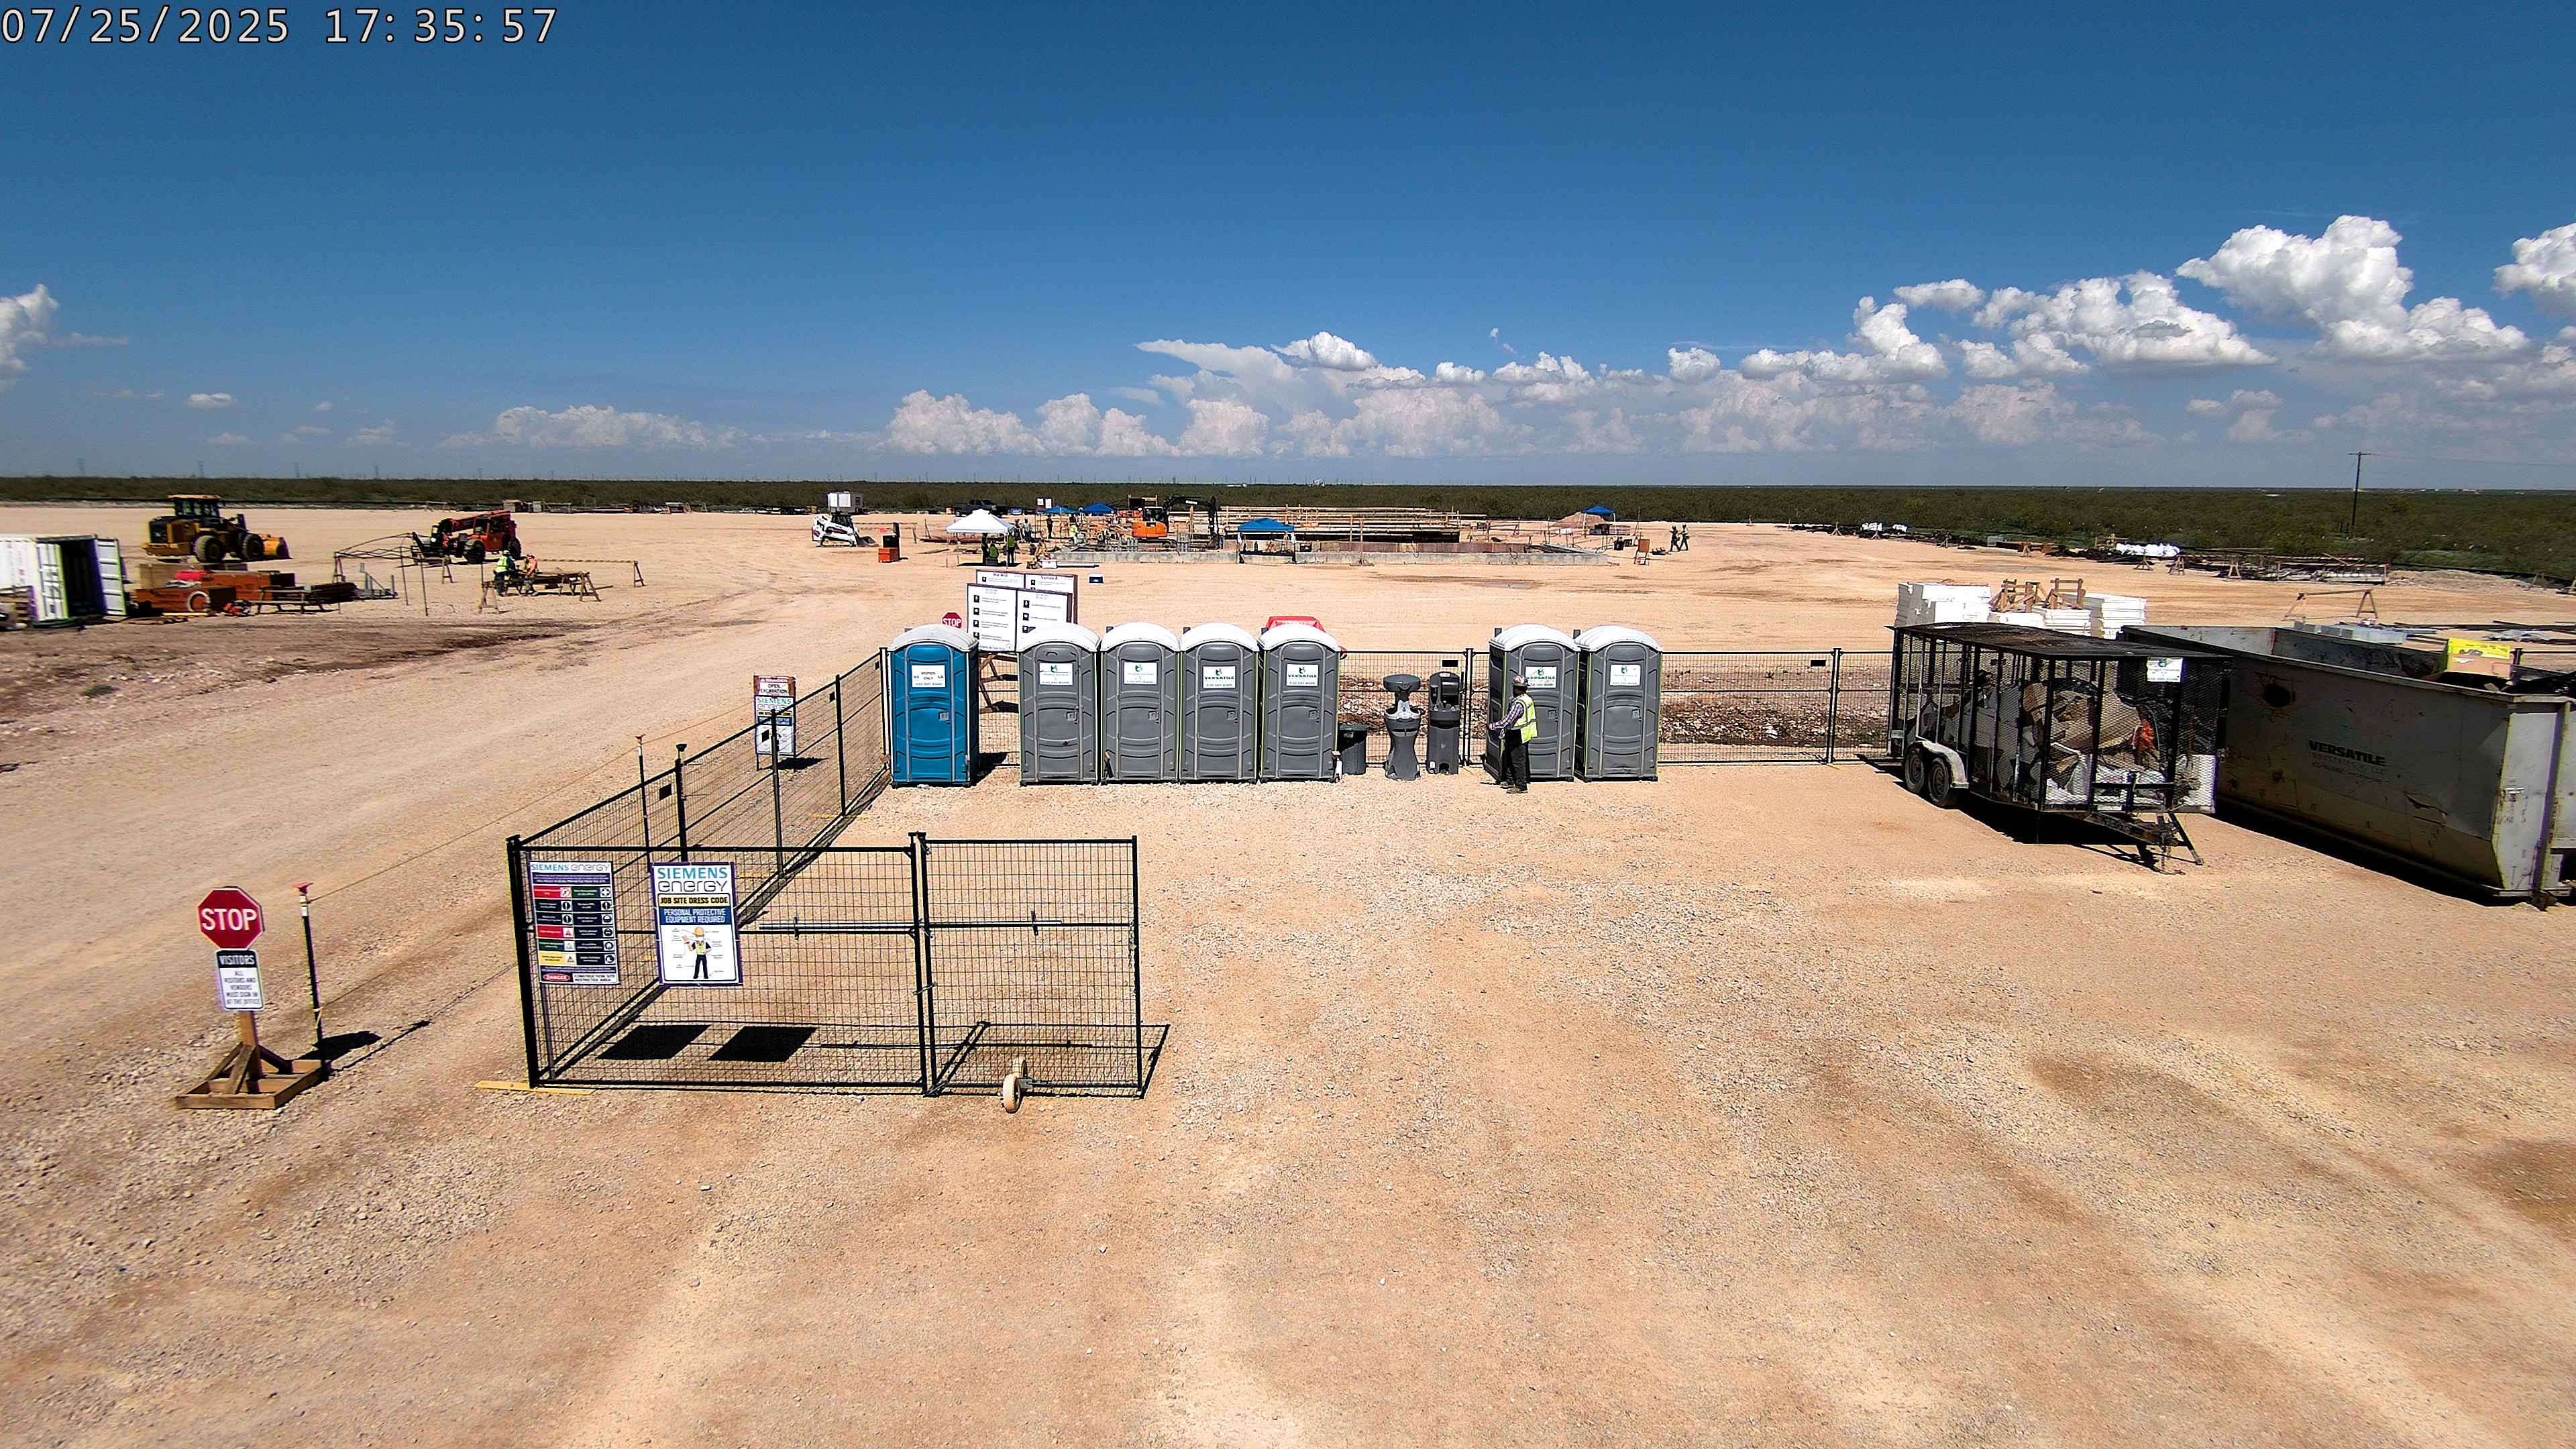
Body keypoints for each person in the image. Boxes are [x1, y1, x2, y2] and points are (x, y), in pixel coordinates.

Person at [1497, 674, 1536, 792]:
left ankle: (1521, 786)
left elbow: (1508, 720)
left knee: (1518, 761)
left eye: (1516, 688)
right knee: (1509, 757)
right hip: (1519, 733)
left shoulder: (1519, 703)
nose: (1514, 690)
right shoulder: (1527, 699)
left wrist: (1492, 726)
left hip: (1518, 734)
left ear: (1517, 689)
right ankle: (1510, 781)